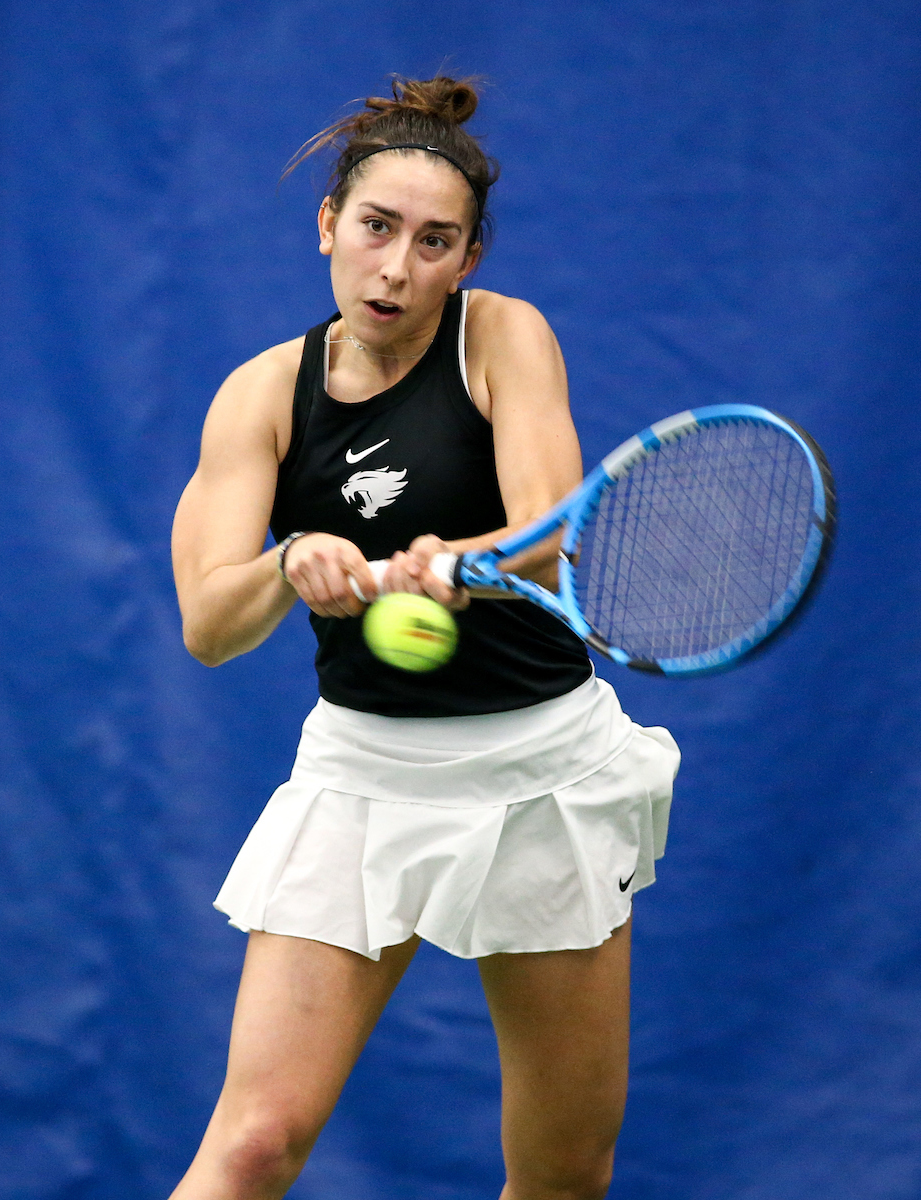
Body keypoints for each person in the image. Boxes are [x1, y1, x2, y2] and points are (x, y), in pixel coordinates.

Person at [169, 75, 680, 1200]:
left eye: (435, 241)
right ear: (328, 227)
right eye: (376, 228)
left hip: (542, 769)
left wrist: (463, 562)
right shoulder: (259, 396)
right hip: (363, 773)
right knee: (254, 1145)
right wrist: (288, 560)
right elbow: (210, 624)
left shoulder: (503, 338)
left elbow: (549, 538)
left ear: (470, 258)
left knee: (561, 1172)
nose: (398, 267)